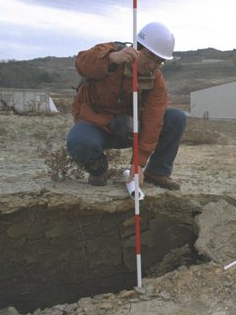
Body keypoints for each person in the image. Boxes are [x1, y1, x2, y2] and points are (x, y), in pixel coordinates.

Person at [66, 22, 186, 190]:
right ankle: (99, 170)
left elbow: (153, 121)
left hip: (130, 129)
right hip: (95, 125)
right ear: (138, 47)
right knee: (79, 141)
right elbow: (81, 63)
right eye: (150, 57)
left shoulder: (156, 81)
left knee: (176, 118)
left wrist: (138, 164)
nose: (152, 65)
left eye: (159, 61)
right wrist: (111, 59)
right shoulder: (110, 51)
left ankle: (157, 172)